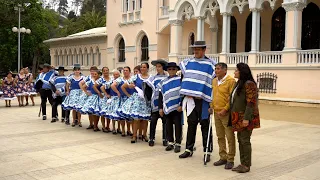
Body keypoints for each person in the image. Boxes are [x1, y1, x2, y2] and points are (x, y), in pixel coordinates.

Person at [178, 41, 216, 163]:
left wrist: (211, 101)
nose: (196, 52)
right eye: (194, 50)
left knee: (205, 125)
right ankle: (189, 149)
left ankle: (207, 151)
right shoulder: (187, 62)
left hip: (203, 100)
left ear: (204, 50)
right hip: (190, 99)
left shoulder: (211, 65)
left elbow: (213, 83)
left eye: (198, 50)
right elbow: (185, 78)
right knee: (191, 124)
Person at [229, 63, 260, 173]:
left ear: (242, 72)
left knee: (245, 140)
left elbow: (251, 103)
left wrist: (246, 118)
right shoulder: (239, 83)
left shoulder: (249, 84)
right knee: (240, 140)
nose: (234, 72)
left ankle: (246, 165)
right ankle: (242, 163)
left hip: (246, 117)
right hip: (238, 117)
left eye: (236, 70)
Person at [208, 63, 236, 169]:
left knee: (230, 136)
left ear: (225, 70)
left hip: (226, 113)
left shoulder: (231, 81)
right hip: (216, 112)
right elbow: (213, 95)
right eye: (215, 69)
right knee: (220, 136)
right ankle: (223, 156)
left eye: (218, 69)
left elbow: (232, 97)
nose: (216, 71)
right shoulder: (214, 81)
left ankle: (230, 159)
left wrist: (225, 109)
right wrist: (211, 106)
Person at [120, 63, 151, 143]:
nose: (142, 68)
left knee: (145, 119)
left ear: (147, 68)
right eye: (141, 67)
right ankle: (134, 135)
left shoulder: (151, 78)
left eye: (144, 67)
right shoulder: (136, 77)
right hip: (137, 100)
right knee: (136, 119)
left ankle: (144, 135)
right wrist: (129, 95)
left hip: (146, 100)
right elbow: (123, 86)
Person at [157, 62, 183, 153]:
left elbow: (183, 93)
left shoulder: (180, 80)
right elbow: (161, 95)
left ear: (176, 70)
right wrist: (160, 108)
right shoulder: (163, 82)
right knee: (168, 126)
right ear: (167, 70)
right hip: (167, 107)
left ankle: (178, 143)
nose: (171, 71)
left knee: (178, 126)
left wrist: (181, 105)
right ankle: (171, 142)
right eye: (169, 69)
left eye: (173, 69)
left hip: (177, 107)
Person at [146, 59, 168, 147]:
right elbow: (147, 87)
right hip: (155, 103)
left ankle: (165, 139)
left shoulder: (167, 78)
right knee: (153, 121)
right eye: (157, 67)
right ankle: (151, 138)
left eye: (159, 66)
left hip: (164, 103)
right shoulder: (153, 78)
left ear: (163, 67)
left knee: (165, 122)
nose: (157, 68)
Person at [111, 67, 134, 136]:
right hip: (123, 98)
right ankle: (123, 130)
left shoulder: (132, 79)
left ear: (129, 71)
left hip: (130, 98)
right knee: (122, 116)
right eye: (124, 70)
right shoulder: (120, 79)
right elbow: (113, 85)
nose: (125, 72)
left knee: (130, 115)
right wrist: (117, 92)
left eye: (127, 70)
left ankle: (129, 130)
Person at [103, 69, 122, 134]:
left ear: (119, 75)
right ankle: (113, 128)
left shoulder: (121, 80)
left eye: (117, 74)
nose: (115, 75)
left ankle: (119, 128)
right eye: (114, 74)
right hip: (113, 98)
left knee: (119, 113)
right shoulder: (111, 81)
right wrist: (106, 94)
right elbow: (102, 87)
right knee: (113, 114)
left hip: (119, 99)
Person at [96, 67, 112, 133]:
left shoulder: (112, 78)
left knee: (108, 112)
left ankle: (108, 126)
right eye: (104, 71)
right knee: (103, 112)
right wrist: (99, 93)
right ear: (102, 72)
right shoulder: (101, 79)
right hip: (103, 97)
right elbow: (94, 86)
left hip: (110, 96)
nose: (106, 72)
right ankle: (103, 126)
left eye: (107, 70)